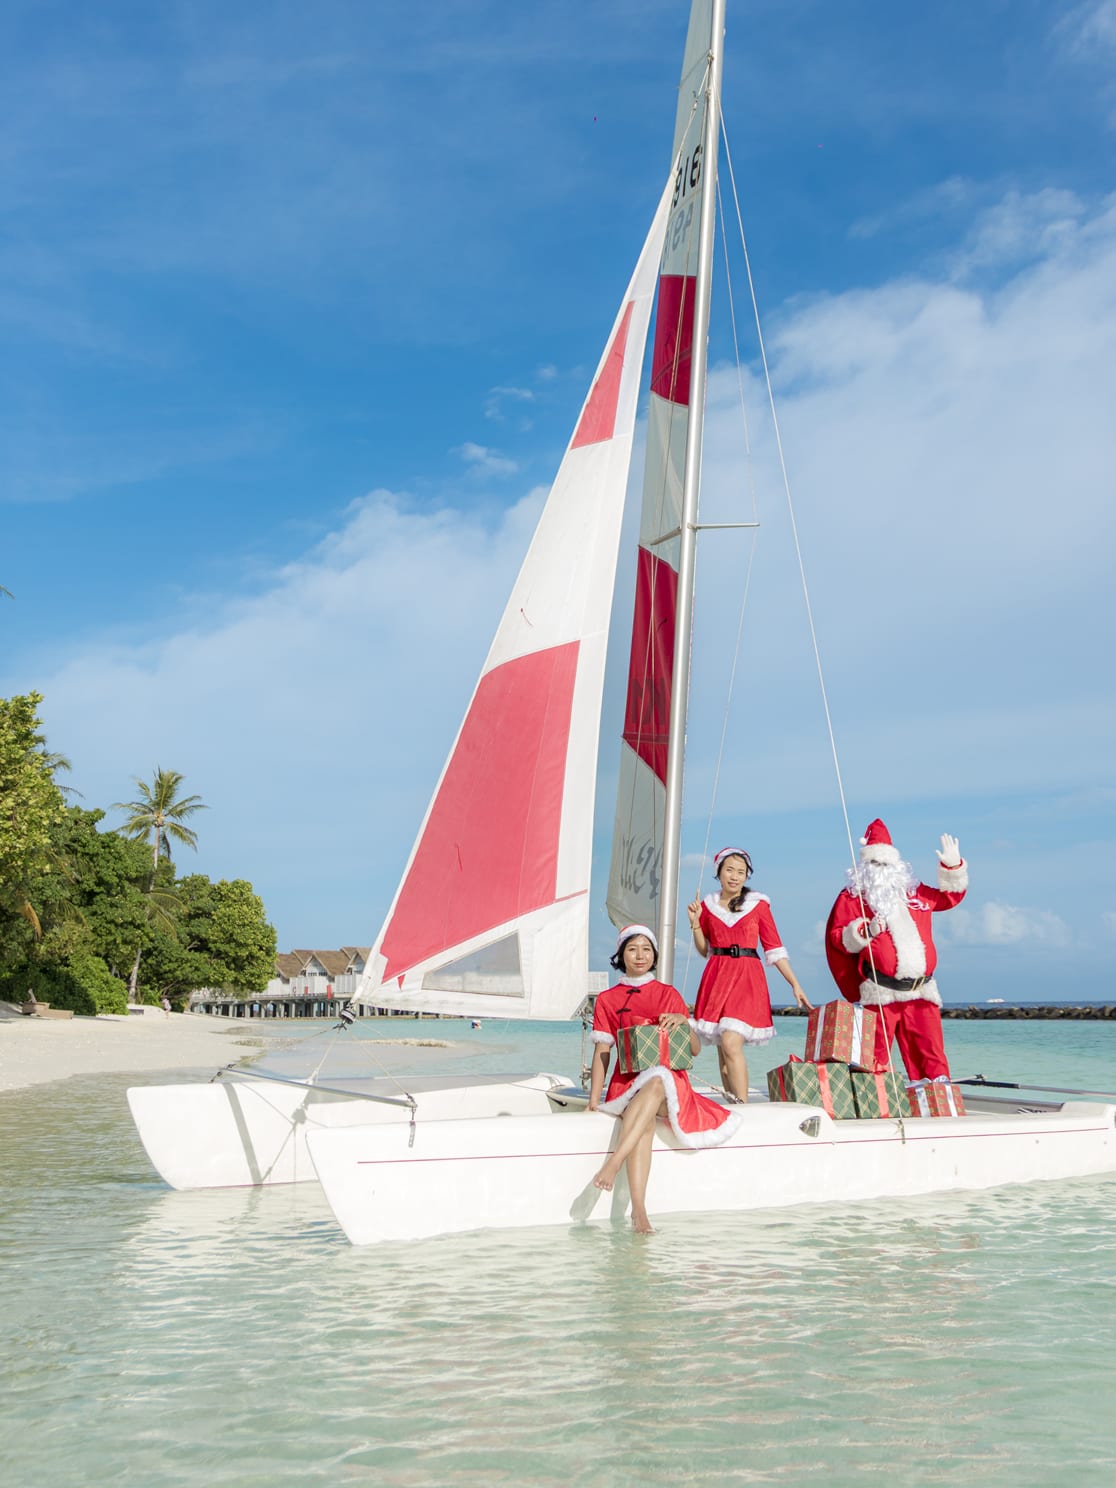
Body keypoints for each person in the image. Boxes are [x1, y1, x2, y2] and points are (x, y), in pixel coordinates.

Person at [588, 924, 742, 1234]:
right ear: (621, 955)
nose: (640, 955)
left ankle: (614, 1162)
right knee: (643, 1117)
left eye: (646, 948)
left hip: (671, 1087)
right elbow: (603, 1051)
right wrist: (594, 1100)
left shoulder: (668, 994)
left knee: (658, 1080)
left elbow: (695, 1051)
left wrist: (684, 1022)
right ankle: (639, 1212)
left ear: (655, 954)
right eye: (632, 949)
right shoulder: (606, 999)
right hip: (628, 1086)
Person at [825, 819, 967, 1081]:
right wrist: (864, 931)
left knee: (932, 1058)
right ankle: (876, 1112)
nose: (881, 870)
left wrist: (952, 867)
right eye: (875, 864)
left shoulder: (915, 893)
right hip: (880, 993)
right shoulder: (853, 897)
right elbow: (837, 936)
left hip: (921, 992)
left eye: (886, 864)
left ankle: (938, 1111)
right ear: (864, 867)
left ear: (897, 865)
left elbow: (949, 898)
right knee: (873, 1061)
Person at [687, 848, 812, 1102]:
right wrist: (696, 923)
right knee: (723, 1054)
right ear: (718, 872)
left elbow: (774, 948)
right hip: (717, 976)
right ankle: (733, 1104)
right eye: (729, 870)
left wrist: (795, 984)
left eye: (741, 872)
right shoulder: (707, 907)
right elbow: (704, 951)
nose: (735, 876)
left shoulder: (757, 905)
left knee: (732, 1042)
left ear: (747, 876)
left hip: (747, 977)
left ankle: (743, 1107)